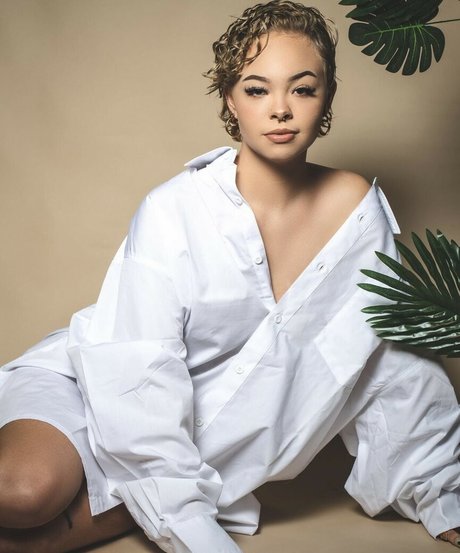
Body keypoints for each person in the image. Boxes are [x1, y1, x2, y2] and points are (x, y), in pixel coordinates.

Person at [0, 1, 459, 552]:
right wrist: (188, 521)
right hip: (103, 385)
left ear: (327, 97)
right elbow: (136, 365)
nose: (281, 109)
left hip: (204, 445)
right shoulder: (174, 209)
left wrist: (438, 489)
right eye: (257, 89)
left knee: (35, 540)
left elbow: (383, 352)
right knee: (24, 495)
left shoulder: (355, 210)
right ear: (230, 100)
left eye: (302, 89)